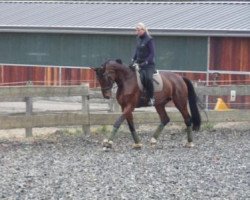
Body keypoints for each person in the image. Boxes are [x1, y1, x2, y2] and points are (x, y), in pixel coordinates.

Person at [131, 22, 156, 106]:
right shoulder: (138, 38)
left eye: (138, 30)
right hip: (138, 63)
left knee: (148, 79)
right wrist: (133, 59)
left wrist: (145, 62)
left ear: (143, 30)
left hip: (148, 65)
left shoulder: (149, 39)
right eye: (136, 30)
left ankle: (151, 98)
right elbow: (137, 50)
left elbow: (152, 54)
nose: (136, 32)